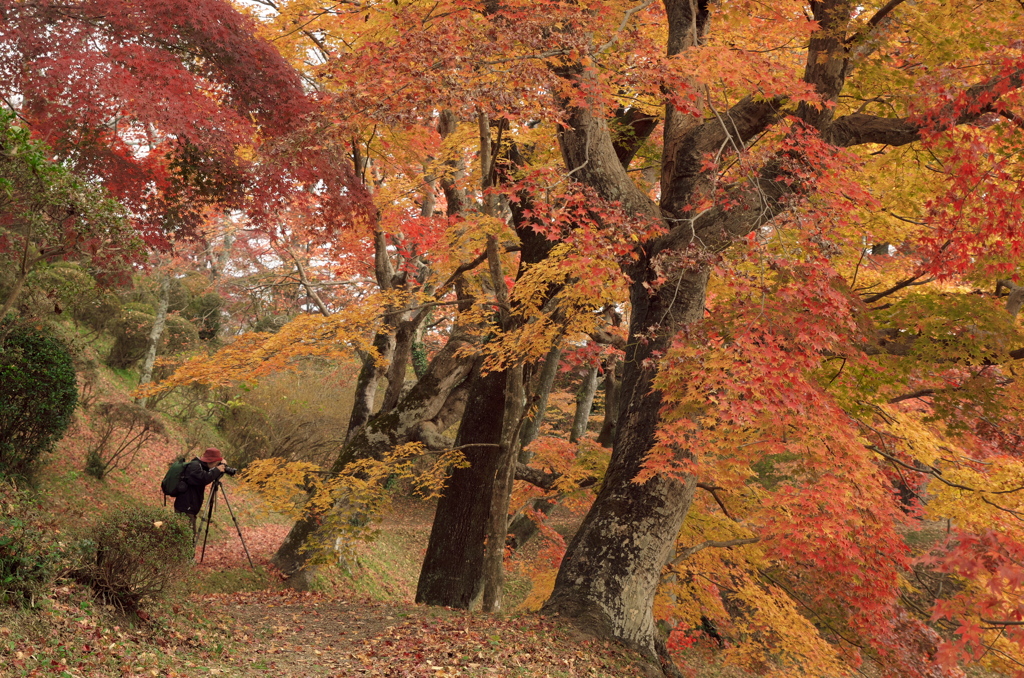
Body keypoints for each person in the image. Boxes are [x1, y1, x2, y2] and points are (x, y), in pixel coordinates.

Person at [174, 447, 227, 537]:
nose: (216, 466)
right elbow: (203, 478)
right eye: (216, 464)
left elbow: (209, 475)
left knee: (184, 537)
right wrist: (217, 470)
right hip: (186, 508)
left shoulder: (201, 467)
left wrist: (219, 470)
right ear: (212, 461)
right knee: (186, 538)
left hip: (188, 508)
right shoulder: (194, 466)